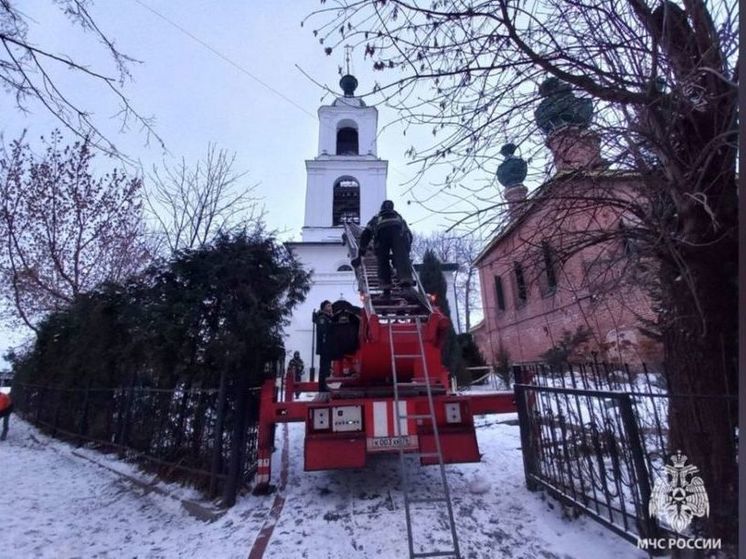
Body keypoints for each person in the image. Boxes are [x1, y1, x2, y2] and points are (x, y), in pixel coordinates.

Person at [353, 200, 414, 296]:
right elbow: (409, 235)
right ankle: (406, 285)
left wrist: (361, 253)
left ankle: (386, 290)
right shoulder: (399, 218)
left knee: (383, 261)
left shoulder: (376, 218)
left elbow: (365, 234)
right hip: (398, 235)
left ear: (381, 208)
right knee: (402, 258)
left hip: (382, 237)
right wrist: (406, 252)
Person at [314, 300, 334, 392]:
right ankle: (323, 388)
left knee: (327, 368)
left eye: (330, 306)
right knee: (324, 368)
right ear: (324, 308)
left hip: (328, 347)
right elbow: (324, 332)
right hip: (325, 347)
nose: (330, 307)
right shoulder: (322, 318)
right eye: (328, 306)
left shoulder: (328, 318)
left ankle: (324, 387)